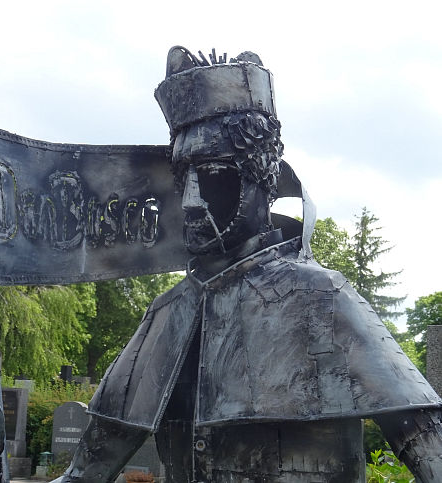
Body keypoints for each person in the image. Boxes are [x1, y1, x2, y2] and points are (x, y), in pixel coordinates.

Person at [51, 46, 442, 482]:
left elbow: (430, 448)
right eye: (184, 179)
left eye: (216, 176)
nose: (191, 203)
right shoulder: (164, 315)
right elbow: (84, 473)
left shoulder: (322, 298)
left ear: (264, 180)